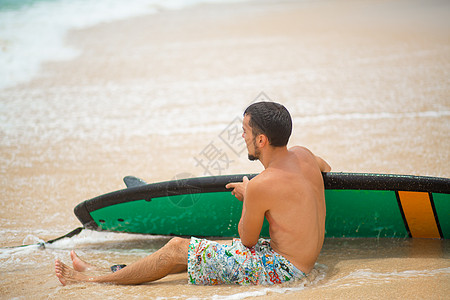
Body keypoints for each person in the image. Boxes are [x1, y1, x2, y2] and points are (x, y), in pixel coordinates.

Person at [55, 101, 331, 286]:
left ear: (262, 140)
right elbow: (326, 169)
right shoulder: (304, 155)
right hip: (299, 261)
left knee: (178, 247)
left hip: (283, 272)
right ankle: (108, 273)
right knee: (197, 252)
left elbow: (247, 240)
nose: (242, 137)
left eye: (245, 131)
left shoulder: (262, 184)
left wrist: (250, 195)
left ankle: (92, 282)